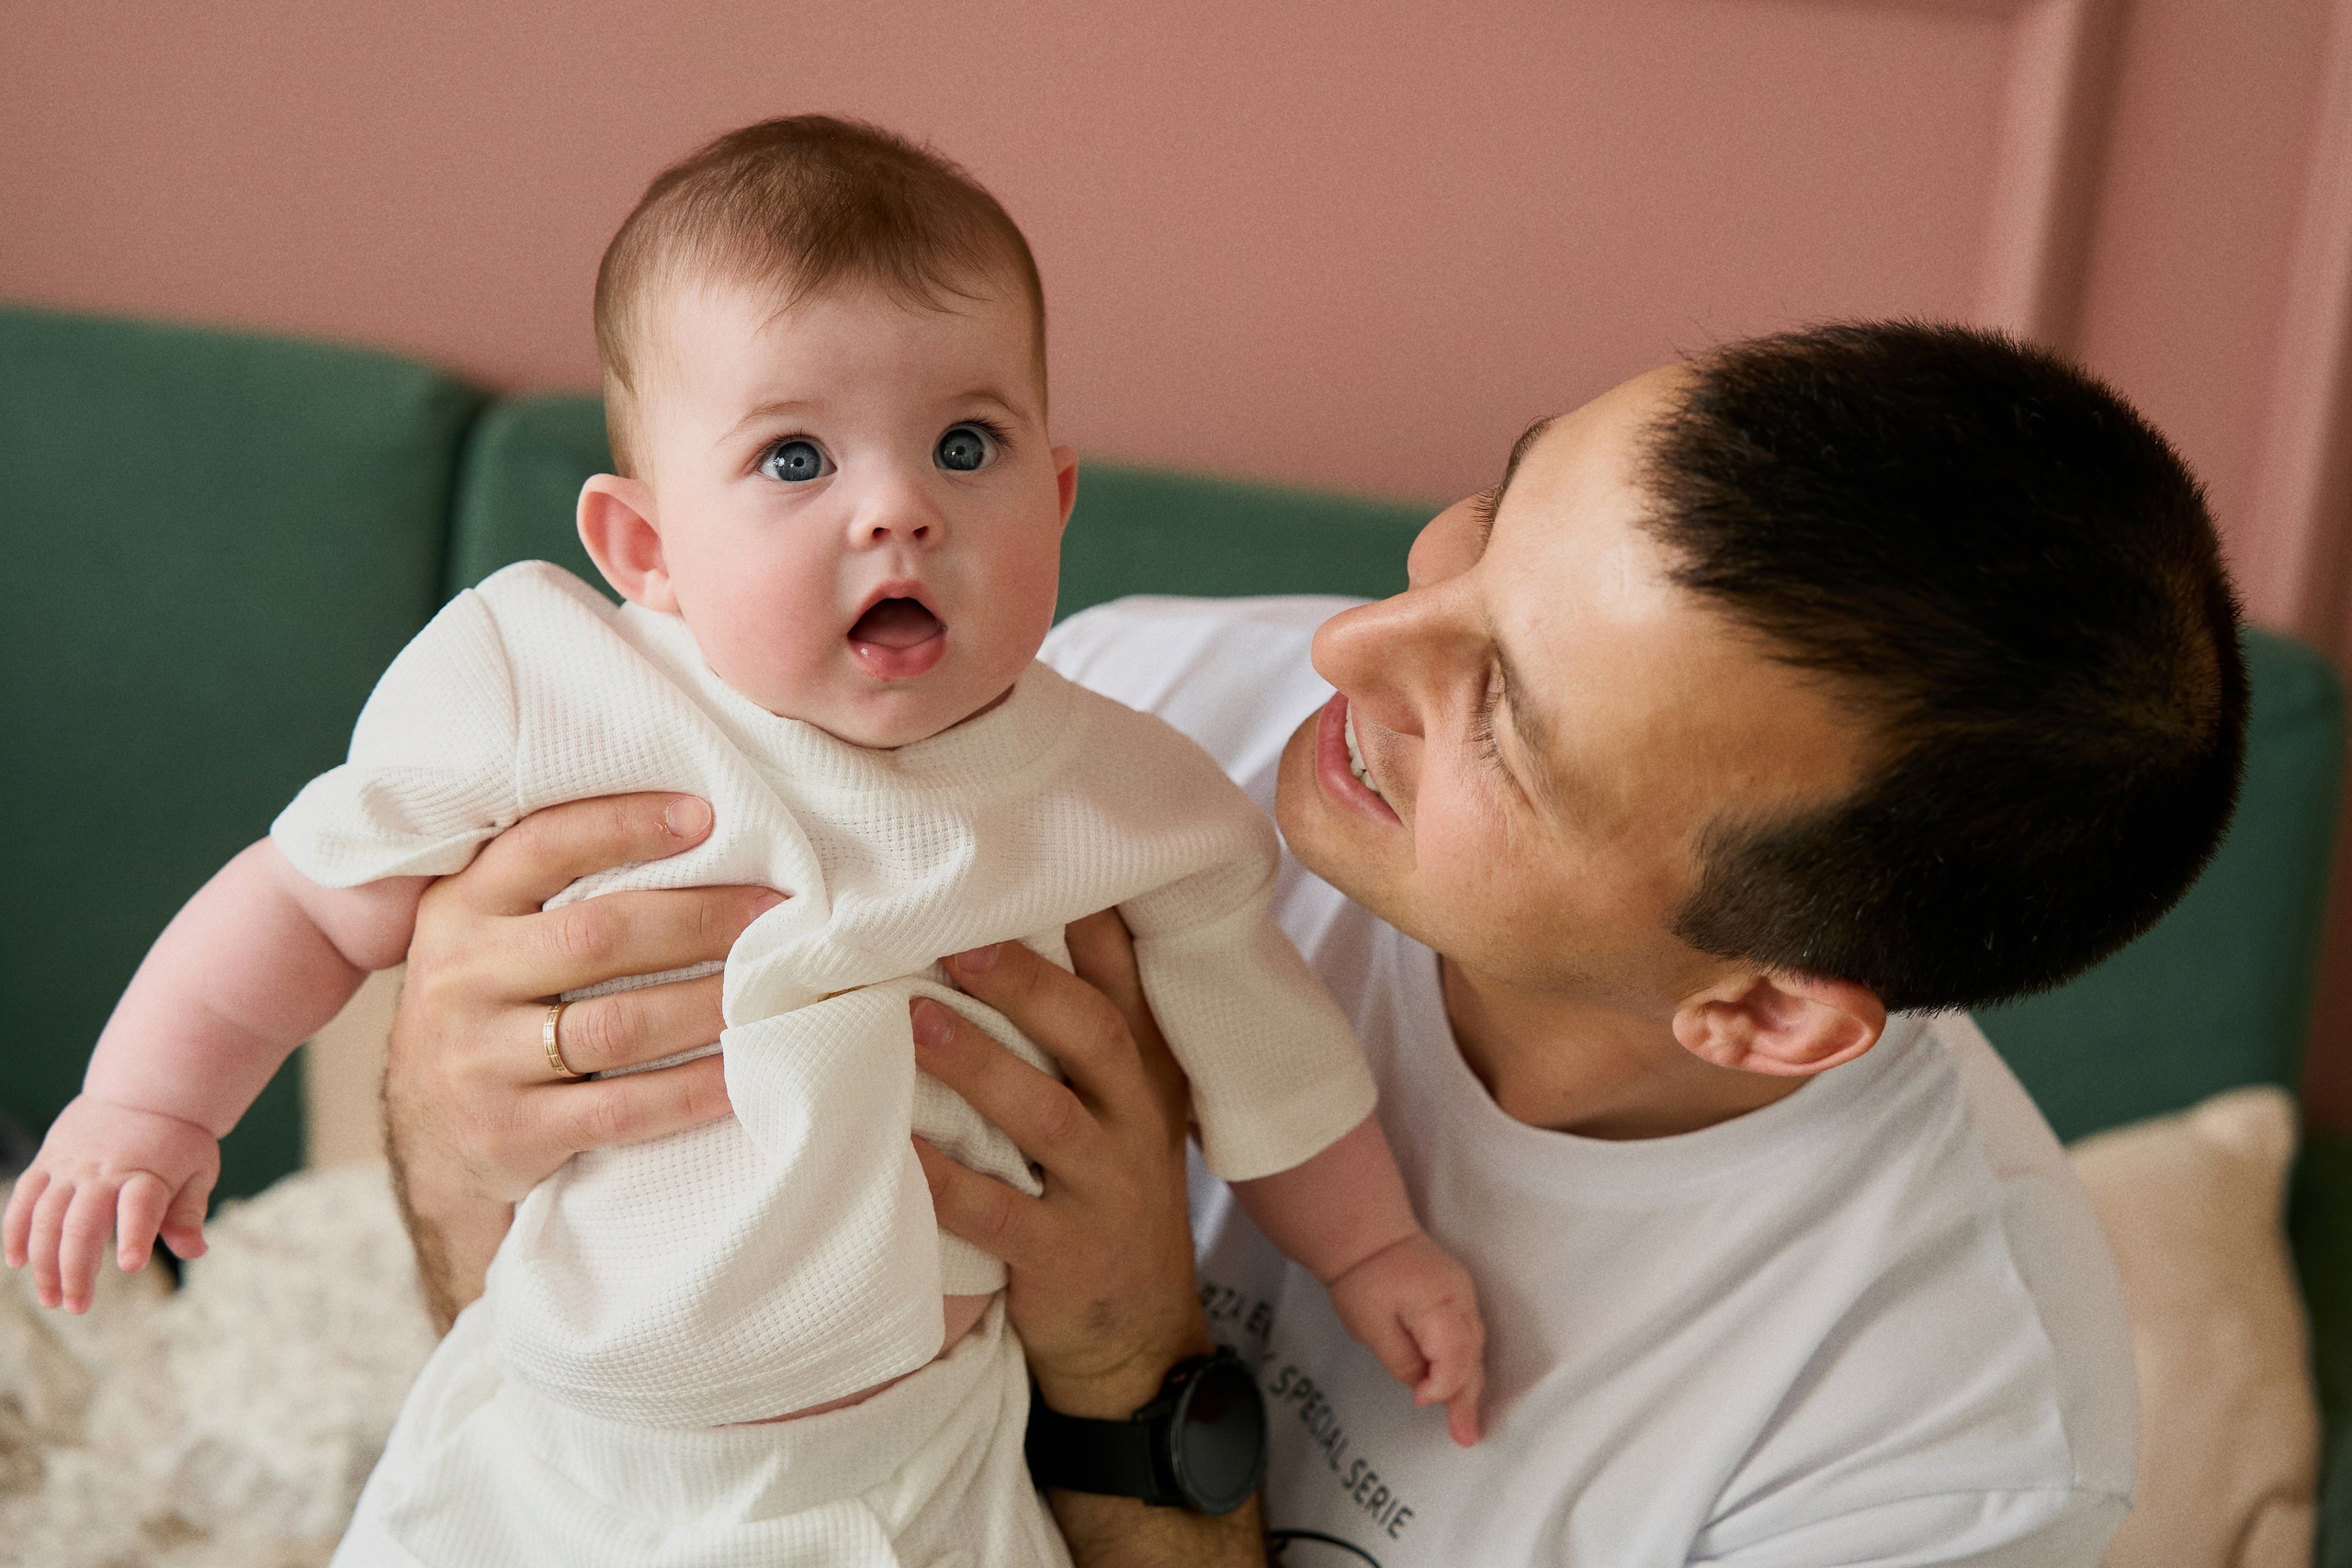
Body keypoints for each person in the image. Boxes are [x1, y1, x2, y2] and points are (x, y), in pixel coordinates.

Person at [381, 319, 2246, 1565]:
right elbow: (576, 1399)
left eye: (1502, 714)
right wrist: (466, 1112)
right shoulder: (1124, 729)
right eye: (1486, 522)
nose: (1352, 644)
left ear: (1757, 1006)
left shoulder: (1932, 1452)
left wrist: (1132, 1367)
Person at [1, 117, 1484, 1566]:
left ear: (1059, 493)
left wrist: (1372, 1254)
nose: (898, 510)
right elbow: (307, 899)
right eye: (794, 460)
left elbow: (1273, 1063)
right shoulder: (560, 693)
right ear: (643, 550)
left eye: (967, 445)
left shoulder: (1130, 797)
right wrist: (149, 1110)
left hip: (919, 1459)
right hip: (559, 1444)